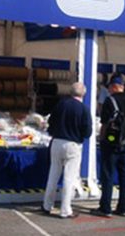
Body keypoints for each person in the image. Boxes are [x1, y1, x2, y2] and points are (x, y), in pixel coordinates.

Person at [92, 75, 125, 218]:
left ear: (113, 86)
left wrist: (102, 139)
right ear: (123, 87)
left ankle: (105, 208)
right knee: (124, 177)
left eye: (109, 87)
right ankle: (123, 208)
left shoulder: (110, 101)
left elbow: (104, 124)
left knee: (107, 175)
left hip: (110, 144)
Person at [42, 82, 92, 219]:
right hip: (73, 144)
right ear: (83, 94)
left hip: (57, 141)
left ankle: (47, 205)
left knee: (53, 174)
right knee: (69, 178)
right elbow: (88, 131)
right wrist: (80, 136)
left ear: (70, 92)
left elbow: (50, 123)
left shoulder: (60, 104)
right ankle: (65, 209)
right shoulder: (83, 109)